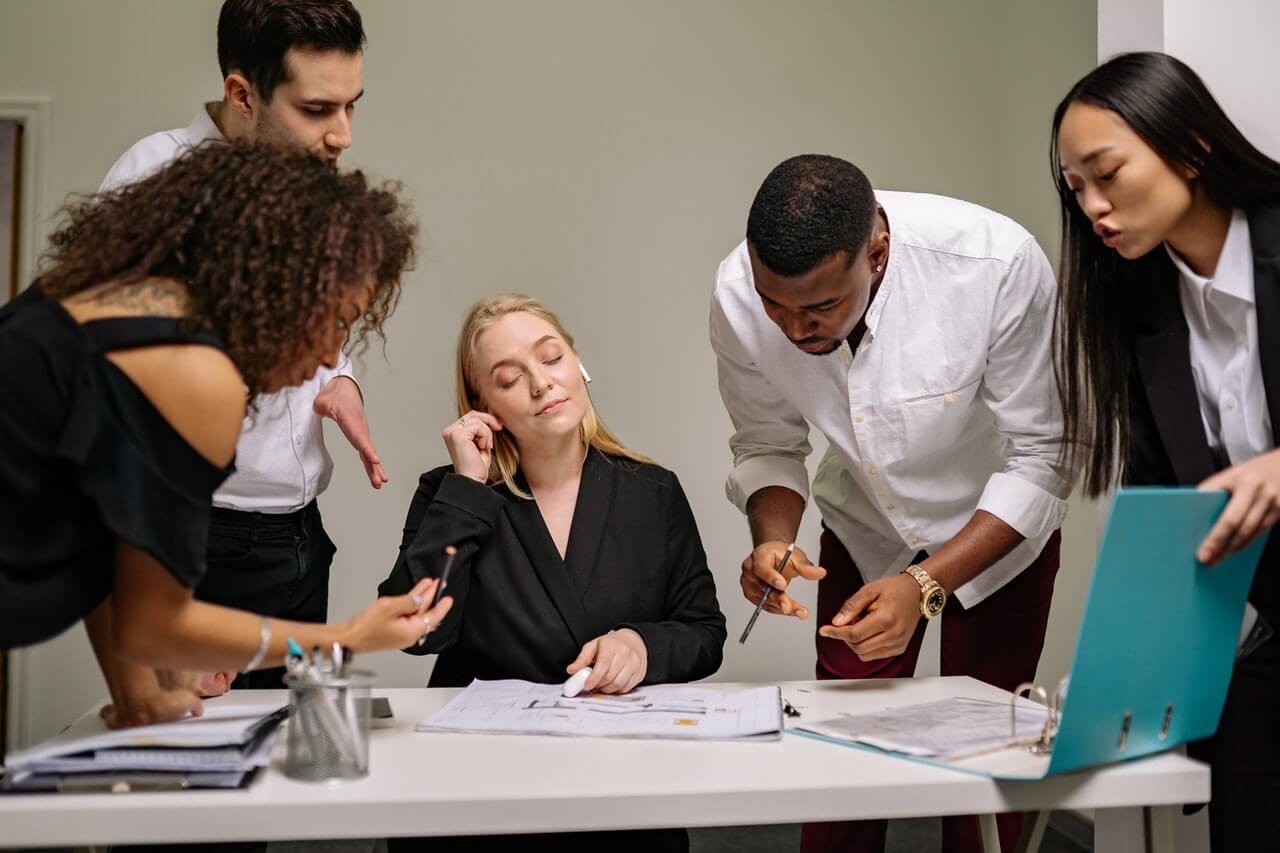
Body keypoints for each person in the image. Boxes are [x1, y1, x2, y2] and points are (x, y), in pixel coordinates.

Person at [0, 141, 451, 728]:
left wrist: (140, 699)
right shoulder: (196, 373)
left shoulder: (114, 308)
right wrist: (344, 638)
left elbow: (102, 538)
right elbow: (154, 626)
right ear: (275, 278)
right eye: (337, 320)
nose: (326, 356)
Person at [711, 155, 1073, 853]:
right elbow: (766, 439)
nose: (793, 329)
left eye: (819, 308)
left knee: (989, 757)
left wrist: (926, 585)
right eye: (774, 306)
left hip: (995, 529)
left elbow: (1043, 456)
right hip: (865, 520)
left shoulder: (994, 263)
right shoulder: (735, 292)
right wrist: (774, 539)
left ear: (877, 251)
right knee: (845, 749)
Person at [379, 293, 726, 852]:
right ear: (481, 404)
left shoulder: (653, 490)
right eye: (510, 378)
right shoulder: (449, 493)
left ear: (578, 364)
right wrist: (467, 487)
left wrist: (641, 645)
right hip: (478, 786)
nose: (542, 383)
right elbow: (416, 631)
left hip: (617, 781)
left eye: (551, 357)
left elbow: (705, 632)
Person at [100, 0, 377, 692]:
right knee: (191, 764)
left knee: (289, 762)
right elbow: (110, 390)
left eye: (353, 105)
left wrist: (341, 377)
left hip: (299, 532)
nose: (342, 135)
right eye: (318, 109)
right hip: (197, 535)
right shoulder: (155, 179)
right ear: (242, 94)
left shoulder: (308, 176)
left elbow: (308, 324)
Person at [1053, 51, 1280, 851]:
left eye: (1105, 173)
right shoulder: (1143, 303)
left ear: (1190, 146)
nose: (1093, 206)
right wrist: (1113, 677)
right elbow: (1164, 505)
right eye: (1075, 188)